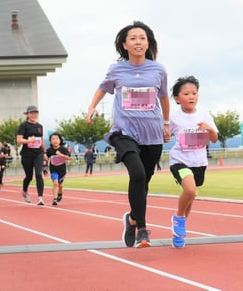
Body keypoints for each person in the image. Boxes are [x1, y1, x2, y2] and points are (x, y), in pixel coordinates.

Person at [86, 21, 170, 248]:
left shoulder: (158, 70)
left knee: (144, 183)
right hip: (124, 132)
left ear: (148, 42)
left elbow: (163, 98)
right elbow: (103, 87)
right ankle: (142, 229)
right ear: (124, 45)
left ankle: (132, 218)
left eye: (142, 38)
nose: (138, 42)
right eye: (133, 38)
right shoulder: (116, 70)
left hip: (152, 133)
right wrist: (92, 107)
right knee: (138, 173)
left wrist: (165, 124)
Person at [168, 76, 218, 248]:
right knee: (190, 190)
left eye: (194, 93)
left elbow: (214, 139)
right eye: (186, 93)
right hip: (180, 161)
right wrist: (165, 134)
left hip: (199, 161)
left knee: (192, 195)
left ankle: (179, 230)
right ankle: (178, 218)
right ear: (177, 98)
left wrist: (209, 128)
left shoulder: (204, 115)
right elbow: (164, 134)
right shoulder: (173, 117)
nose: (191, 97)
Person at [17, 105, 46, 206]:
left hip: (38, 153)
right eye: (31, 113)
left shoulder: (40, 126)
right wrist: (29, 140)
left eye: (35, 113)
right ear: (27, 114)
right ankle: (24, 191)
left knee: (38, 174)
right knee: (29, 176)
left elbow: (41, 140)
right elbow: (19, 140)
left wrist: (45, 152)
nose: (34, 115)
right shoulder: (23, 125)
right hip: (27, 154)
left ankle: (40, 198)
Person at [46, 132, 71, 205]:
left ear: (60, 140)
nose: (55, 140)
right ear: (50, 141)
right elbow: (46, 158)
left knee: (60, 185)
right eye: (53, 139)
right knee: (55, 183)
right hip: (53, 170)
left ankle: (60, 192)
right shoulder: (49, 150)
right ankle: (54, 199)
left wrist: (61, 155)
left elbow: (68, 158)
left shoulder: (63, 149)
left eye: (57, 139)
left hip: (62, 171)